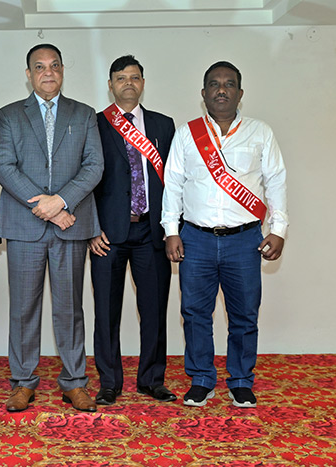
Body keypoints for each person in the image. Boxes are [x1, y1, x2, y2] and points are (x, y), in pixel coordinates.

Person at [161, 61, 288, 408]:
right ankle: (201, 379)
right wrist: (171, 230)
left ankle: (241, 381)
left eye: (229, 84)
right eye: (214, 84)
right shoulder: (187, 134)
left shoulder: (260, 132)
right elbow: (173, 184)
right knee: (194, 313)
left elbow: (276, 181)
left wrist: (278, 229)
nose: (221, 90)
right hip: (196, 238)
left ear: (240, 93)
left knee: (244, 315)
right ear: (203, 93)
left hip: (244, 240)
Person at [0, 43, 103, 413]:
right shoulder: (9, 115)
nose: (48, 72)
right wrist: (49, 208)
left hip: (70, 226)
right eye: (39, 67)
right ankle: (22, 382)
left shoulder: (84, 114)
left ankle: (74, 382)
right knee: (23, 309)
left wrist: (62, 201)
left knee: (70, 309)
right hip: (25, 226)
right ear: (29, 74)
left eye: (54, 65)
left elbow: (94, 166)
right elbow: (5, 167)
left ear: (62, 70)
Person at [89, 55, 176, 406]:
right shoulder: (95, 124)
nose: (129, 82)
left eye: (135, 77)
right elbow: (85, 180)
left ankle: (152, 380)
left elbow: (175, 182)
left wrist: (172, 228)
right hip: (107, 235)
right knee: (106, 312)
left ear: (143, 83)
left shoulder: (163, 125)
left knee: (153, 310)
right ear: (110, 84)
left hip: (151, 232)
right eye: (121, 77)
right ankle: (109, 382)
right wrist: (91, 228)